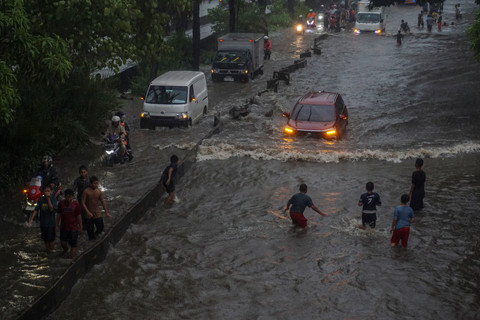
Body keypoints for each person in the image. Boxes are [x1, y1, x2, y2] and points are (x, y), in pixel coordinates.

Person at [28, 185, 58, 254]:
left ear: (51, 192)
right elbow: (36, 210)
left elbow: (51, 209)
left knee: (51, 239)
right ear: (43, 192)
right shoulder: (40, 200)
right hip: (43, 223)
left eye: (48, 191)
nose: (47, 192)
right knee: (45, 239)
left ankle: (52, 251)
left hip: (51, 223)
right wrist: (31, 219)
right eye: (45, 191)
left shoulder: (53, 199)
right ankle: (47, 250)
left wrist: (48, 199)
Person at [56, 189, 82, 258]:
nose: (69, 199)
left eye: (70, 197)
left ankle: (71, 258)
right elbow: (59, 215)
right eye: (67, 197)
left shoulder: (76, 204)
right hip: (63, 227)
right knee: (63, 243)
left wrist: (80, 226)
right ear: (65, 196)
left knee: (73, 244)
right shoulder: (61, 203)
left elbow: (78, 216)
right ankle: (66, 250)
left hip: (73, 227)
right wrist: (56, 225)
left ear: (73, 197)